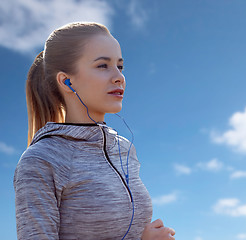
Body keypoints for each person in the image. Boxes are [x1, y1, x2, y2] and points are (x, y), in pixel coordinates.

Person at [13, 22, 175, 240]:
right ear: (67, 81)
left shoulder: (124, 148)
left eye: (120, 66)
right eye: (102, 66)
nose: (119, 77)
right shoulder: (41, 160)